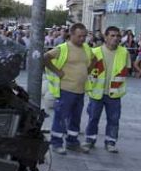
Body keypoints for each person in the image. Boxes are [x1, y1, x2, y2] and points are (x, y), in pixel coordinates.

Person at [44, 23, 93, 154]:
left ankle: (72, 142)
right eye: (79, 36)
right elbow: (46, 57)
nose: (82, 39)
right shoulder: (63, 48)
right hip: (66, 90)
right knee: (60, 117)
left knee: (75, 118)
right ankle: (56, 143)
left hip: (80, 90)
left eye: (84, 36)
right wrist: (57, 71)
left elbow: (93, 60)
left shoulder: (86, 48)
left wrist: (86, 71)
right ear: (71, 35)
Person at [83, 26, 131, 153]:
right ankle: (89, 139)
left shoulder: (124, 52)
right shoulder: (95, 52)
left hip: (115, 93)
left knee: (114, 119)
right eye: (112, 35)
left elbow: (126, 70)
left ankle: (111, 142)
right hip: (96, 92)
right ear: (105, 37)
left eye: (118, 36)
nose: (116, 38)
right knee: (93, 117)